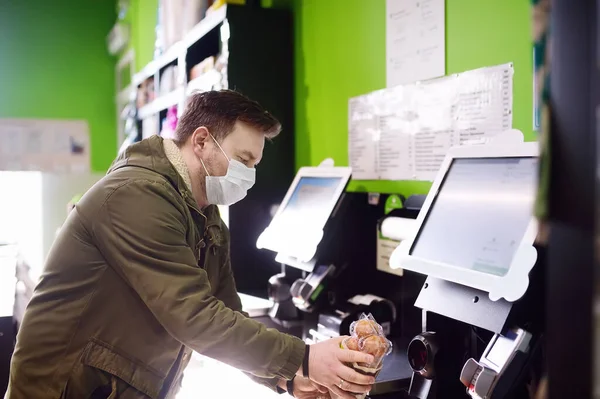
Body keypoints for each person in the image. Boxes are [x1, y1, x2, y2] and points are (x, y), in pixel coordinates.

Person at [6, 90, 374, 399]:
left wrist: (287, 377)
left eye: (255, 164)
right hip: (65, 388)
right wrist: (304, 357)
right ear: (201, 141)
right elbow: (195, 316)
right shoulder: (134, 196)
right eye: (243, 159)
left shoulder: (206, 216)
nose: (250, 175)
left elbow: (225, 312)